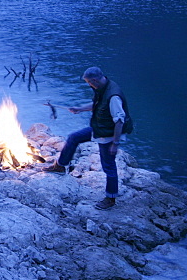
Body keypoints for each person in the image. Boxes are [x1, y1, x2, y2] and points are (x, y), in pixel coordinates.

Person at [43, 66, 134, 210]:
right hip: (101, 127)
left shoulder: (113, 96)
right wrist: (80, 109)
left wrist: (115, 143)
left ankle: (111, 198)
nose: (88, 85)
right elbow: (98, 105)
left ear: (95, 80)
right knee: (74, 138)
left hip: (109, 133)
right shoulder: (103, 88)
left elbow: (119, 121)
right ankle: (60, 166)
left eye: (89, 82)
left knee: (108, 165)